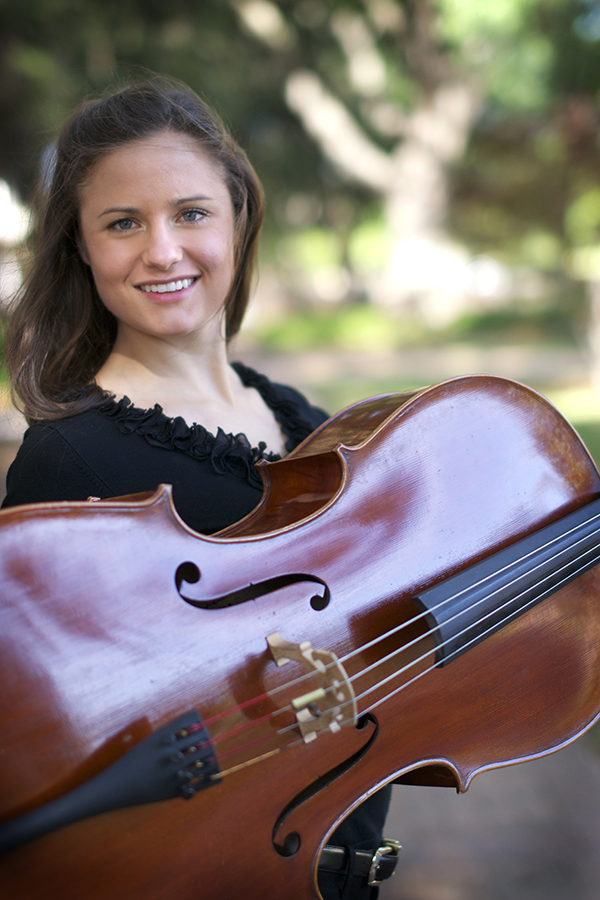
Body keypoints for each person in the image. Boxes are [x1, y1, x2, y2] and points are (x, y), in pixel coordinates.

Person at [1, 79, 396, 898]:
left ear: (238, 218)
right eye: (122, 223)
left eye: (190, 213)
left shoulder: (313, 426)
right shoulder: (69, 464)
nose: (162, 250)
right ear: (80, 247)